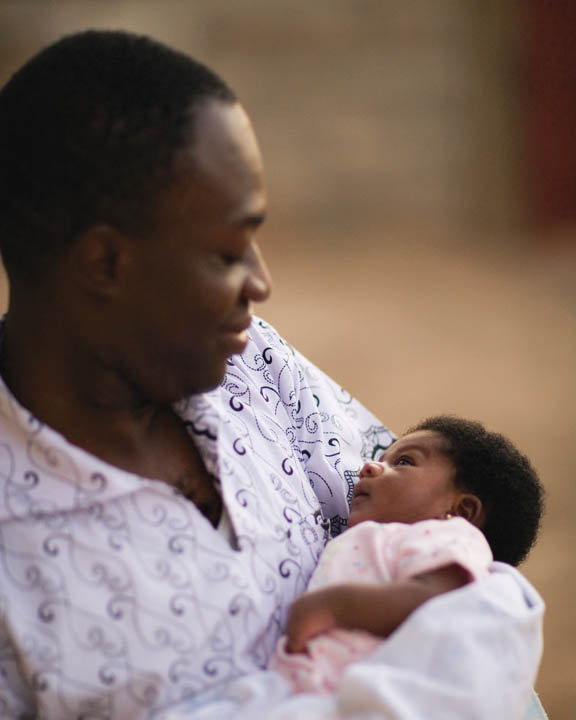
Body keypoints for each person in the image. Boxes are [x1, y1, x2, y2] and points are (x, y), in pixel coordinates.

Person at [0, 30, 546, 720]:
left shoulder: (248, 362)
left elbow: (450, 577)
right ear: (106, 263)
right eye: (228, 252)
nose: (260, 282)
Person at [269, 415, 544, 693]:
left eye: (403, 462)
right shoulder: (376, 537)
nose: (369, 467)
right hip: (311, 683)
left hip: (368, 690)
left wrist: (333, 607)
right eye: (383, 458)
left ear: (460, 512)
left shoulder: (450, 537)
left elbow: (435, 596)